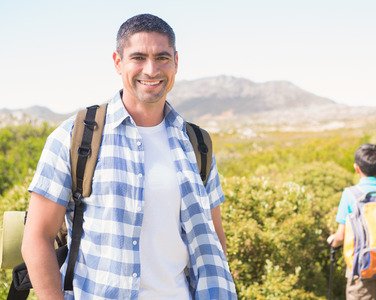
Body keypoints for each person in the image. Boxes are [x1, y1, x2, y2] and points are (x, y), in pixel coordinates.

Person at [22, 14, 237, 300]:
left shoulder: (197, 143)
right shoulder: (75, 136)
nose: (151, 69)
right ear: (117, 62)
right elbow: (36, 239)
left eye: (162, 57)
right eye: (138, 57)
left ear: (176, 61)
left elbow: (213, 238)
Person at [327, 143, 376, 300]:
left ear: (356, 168)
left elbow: (340, 236)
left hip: (362, 267)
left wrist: (332, 242)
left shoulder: (350, 195)